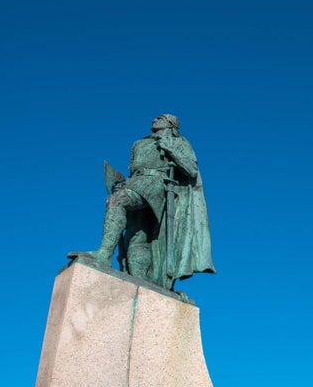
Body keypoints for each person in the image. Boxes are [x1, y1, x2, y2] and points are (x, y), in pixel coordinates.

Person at [81, 114, 215, 290]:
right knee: (136, 233)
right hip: (135, 182)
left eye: (159, 118)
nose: (153, 120)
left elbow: (191, 170)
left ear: (170, 124)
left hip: (157, 183)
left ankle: (104, 254)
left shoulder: (178, 141)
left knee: (117, 201)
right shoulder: (139, 143)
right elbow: (135, 171)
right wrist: (122, 181)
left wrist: (171, 148)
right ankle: (141, 280)